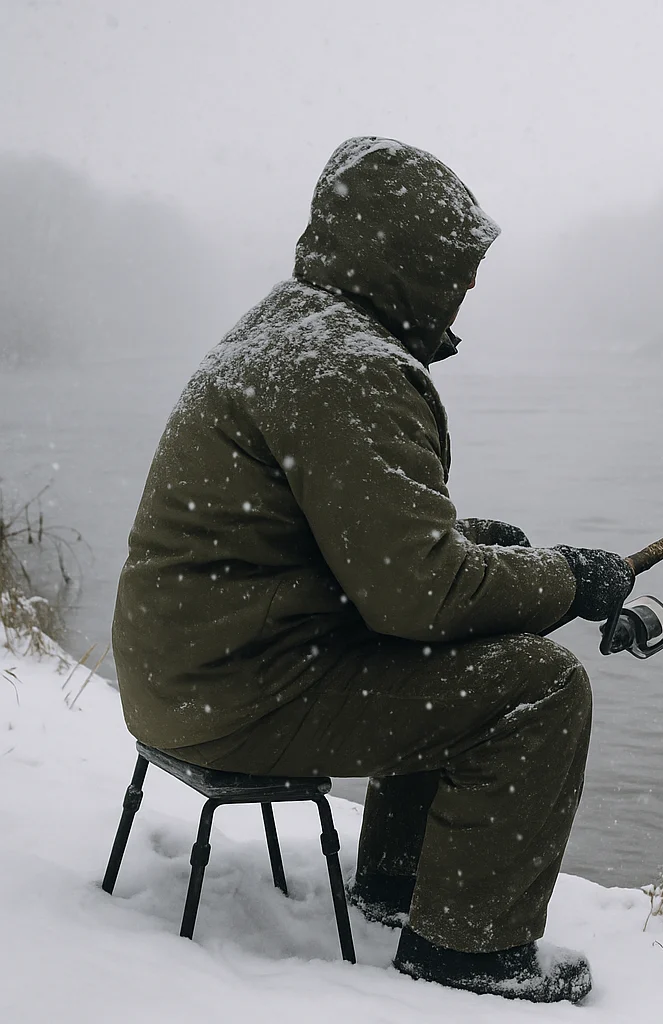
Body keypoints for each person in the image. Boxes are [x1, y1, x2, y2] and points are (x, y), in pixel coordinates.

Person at [111, 136, 633, 1003]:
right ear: (407, 264)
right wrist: (574, 579)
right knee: (537, 687)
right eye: (456, 271)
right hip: (241, 693)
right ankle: (466, 951)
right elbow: (422, 600)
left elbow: (353, 552)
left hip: (194, 670)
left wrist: (497, 554)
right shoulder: (348, 367)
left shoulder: (291, 332)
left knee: (483, 578)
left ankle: (398, 886)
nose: (467, 291)